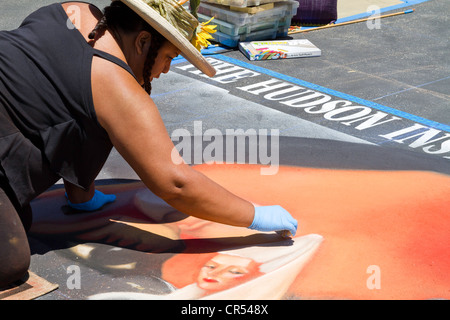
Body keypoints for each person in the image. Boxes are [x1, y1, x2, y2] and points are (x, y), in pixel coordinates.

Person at [0, 0, 297, 288]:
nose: (166, 69)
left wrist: (82, 197)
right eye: (168, 56)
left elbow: (67, 104)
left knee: (18, 220)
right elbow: (175, 183)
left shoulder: (72, 11)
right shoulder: (116, 85)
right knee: (8, 260)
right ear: (143, 41)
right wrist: (255, 215)